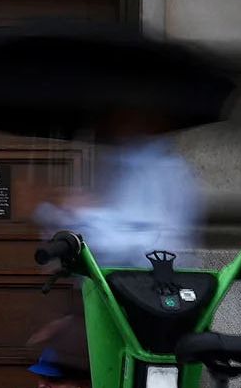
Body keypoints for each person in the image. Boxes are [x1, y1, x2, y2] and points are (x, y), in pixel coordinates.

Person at [33, 111, 204, 270]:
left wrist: (84, 216)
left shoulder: (166, 170)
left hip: (146, 288)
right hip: (108, 286)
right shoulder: (112, 160)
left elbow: (156, 245)